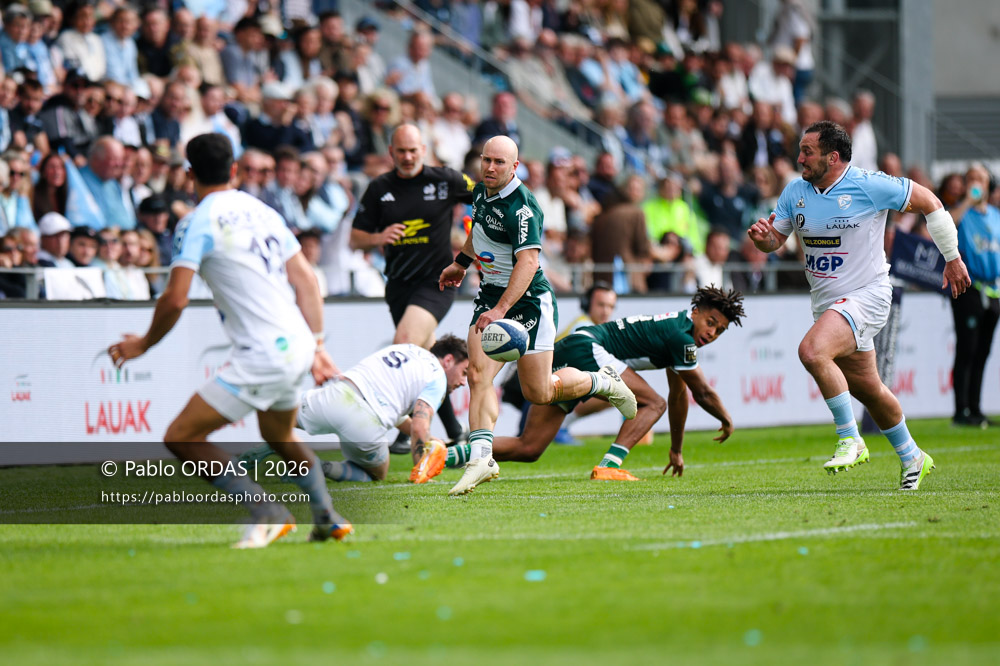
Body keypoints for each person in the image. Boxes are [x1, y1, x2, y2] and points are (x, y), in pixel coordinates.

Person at [107, 133, 348, 549]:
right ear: (235, 170)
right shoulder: (265, 213)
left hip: (265, 352)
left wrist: (142, 344)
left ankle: (267, 512)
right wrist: (319, 345)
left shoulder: (197, 222)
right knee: (280, 436)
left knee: (181, 437)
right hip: (298, 342)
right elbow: (307, 281)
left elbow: (175, 297)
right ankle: (327, 517)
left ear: (188, 175)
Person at [747, 121, 971, 490]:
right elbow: (777, 241)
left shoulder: (870, 184)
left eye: (807, 152)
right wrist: (764, 239)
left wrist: (952, 257)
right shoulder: (794, 192)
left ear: (832, 157)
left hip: (868, 295)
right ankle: (912, 455)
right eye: (800, 151)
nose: (799, 158)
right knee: (868, 388)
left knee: (812, 351)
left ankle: (850, 438)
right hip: (828, 304)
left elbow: (931, 202)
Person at [438, 135, 638, 496]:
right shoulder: (482, 191)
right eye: (487, 160)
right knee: (479, 374)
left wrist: (501, 311)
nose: (490, 167)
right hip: (491, 296)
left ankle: (602, 381)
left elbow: (528, 263)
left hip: (529, 301)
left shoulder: (524, 207)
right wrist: (461, 263)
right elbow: (479, 231)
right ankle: (481, 459)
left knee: (541, 392)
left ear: (515, 167)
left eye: (500, 162)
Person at [428, 287, 744, 482]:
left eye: (719, 331)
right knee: (652, 402)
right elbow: (700, 392)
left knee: (530, 448)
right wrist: (726, 419)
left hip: (579, 348)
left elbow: (680, 397)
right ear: (696, 312)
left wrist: (676, 450)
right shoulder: (681, 336)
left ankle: (446, 454)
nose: (712, 333)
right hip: (589, 348)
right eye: (711, 323)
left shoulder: (680, 335)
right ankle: (609, 465)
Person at [351, 124, 476, 449]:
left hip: (437, 281)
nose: (407, 157)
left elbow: (485, 198)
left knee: (403, 344)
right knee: (427, 360)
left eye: (413, 150)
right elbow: (354, 238)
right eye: (401, 151)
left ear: (424, 150)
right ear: (390, 152)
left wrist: (473, 242)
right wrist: (378, 237)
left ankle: (403, 433)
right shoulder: (379, 187)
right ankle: (454, 430)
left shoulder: (445, 179)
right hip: (398, 286)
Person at [241, 336, 470, 484]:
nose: (462, 382)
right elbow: (420, 424)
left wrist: (428, 438)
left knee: (282, 415)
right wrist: (423, 467)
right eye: (464, 372)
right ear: (448, 360)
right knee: (376, 475)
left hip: (337, 396)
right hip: (366, 424)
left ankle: (263, 447)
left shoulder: (408, 349)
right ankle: (318, 467)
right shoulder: (438, 378)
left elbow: (397, 409)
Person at [946, 164, 1000, 427]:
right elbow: (947, 225)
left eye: (979, 179)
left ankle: (976, 409)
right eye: (969, 179)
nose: (974, 183)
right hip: (968, 288)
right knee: (966, 348)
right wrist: (966, 200)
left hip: (994, 290)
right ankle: (961, 411)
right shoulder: (962, 212)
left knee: (983, 351)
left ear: (989, 184)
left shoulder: (995, 215)